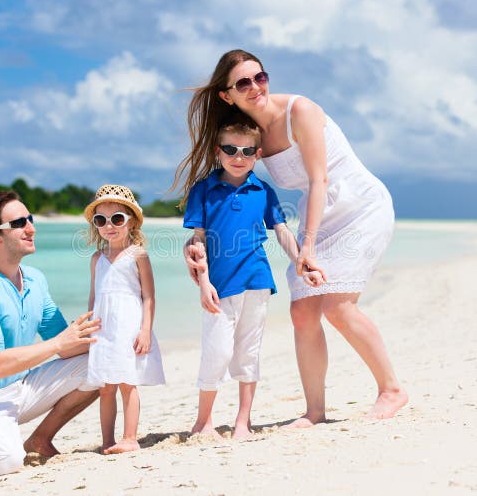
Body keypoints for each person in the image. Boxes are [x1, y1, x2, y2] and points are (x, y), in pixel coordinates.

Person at [178, 49, 408, 426]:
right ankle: (315, 411)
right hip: (318, 215)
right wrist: (196, 244)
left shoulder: (298, 111)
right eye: (243, 83)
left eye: (260, 77)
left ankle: (392, 389)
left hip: (360, 207)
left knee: (336, 305)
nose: (255, 87)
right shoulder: (249, 138)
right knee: (302, 313)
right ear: (226, 95)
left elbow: (320, 179)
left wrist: (309, 247)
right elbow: (225, 194)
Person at [0, 191, 100, 480]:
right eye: (19, 223)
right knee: (7, 464)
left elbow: (64, 343)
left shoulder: (36, 279)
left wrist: (113, 335)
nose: (31, 228)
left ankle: (40, 440)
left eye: (30, 219)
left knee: (102, 364)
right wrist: (59, 343)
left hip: (23, 388)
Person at [177, 121, 322, 439]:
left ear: (257, 154)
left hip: (257, 280)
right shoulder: (204, 189)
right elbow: (197, 240)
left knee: (249, 352)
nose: (238, 156)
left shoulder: (263, 191)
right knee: (216, 351)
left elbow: (282, 231)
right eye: (230, 149)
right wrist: (203, 283)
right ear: (219, 152)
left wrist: (302, 261)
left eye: (246, 151)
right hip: (218, 286)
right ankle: (204, 422)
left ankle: (244, 421)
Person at [83, 185, 165, 454]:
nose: (110, 226)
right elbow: (94, 298)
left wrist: (145, 330)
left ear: (131, 222)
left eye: (117, 218)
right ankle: (108, 441)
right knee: (105, 388)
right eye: (101, 220)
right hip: (103, 330)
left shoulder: (138, 254)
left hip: (128, 328)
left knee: (127, 383)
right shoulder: (97, 258)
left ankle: (130, 438)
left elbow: (149, 297)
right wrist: (87, 328)